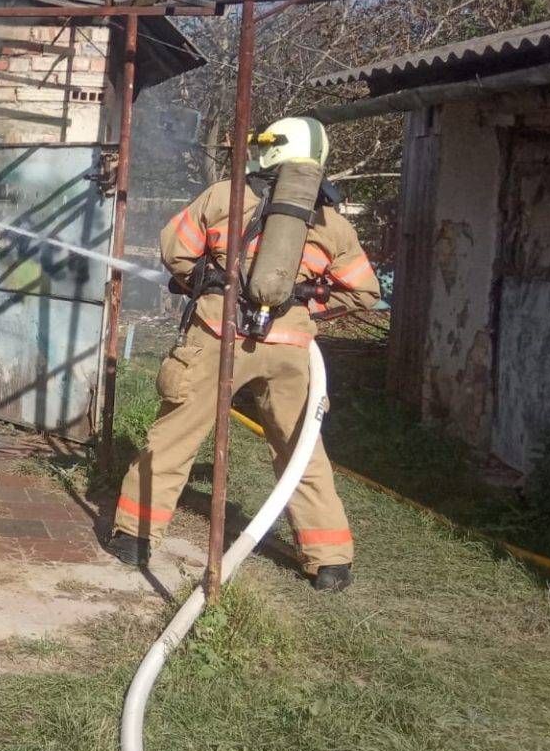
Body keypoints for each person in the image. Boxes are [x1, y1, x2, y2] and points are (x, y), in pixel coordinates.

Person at [106, 117, 381, 591]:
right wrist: (304, 305)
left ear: (273, 151)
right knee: (301, 450)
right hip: (291, 351)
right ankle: (330, 560)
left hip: (218, 334)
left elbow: (176, 251)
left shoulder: (225, 196)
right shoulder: (331, 222)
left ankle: (135, 536)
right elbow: (364, 292)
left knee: (176, 436)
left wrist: (206, 281)